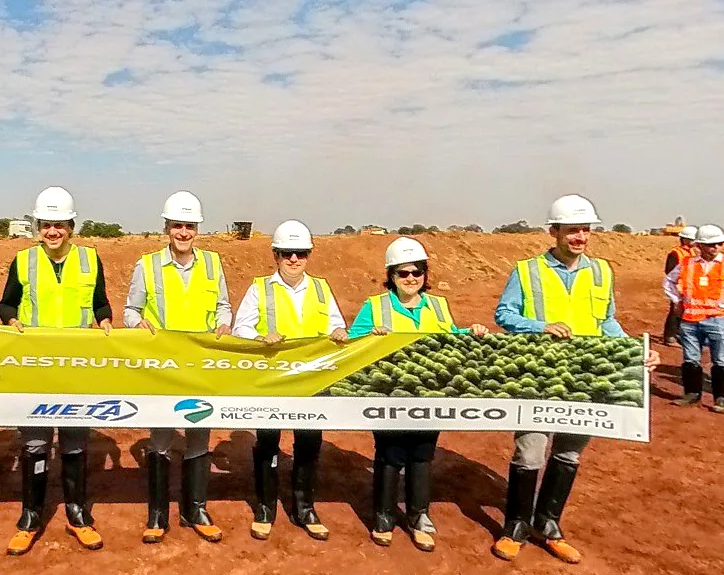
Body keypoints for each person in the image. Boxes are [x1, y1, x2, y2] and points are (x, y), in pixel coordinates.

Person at [492, 194, 659, 564]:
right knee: (530, 450)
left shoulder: (602, 272)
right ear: (554, 231)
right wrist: (539, 326)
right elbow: (503, 315)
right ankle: (516, 526)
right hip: (537, 375)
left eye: (585, 230)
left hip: (585, 377)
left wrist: (634, 352)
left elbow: (607, 322)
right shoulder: (526, 271)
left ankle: (548, 523)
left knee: (569, 451)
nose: (579, 236)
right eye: (572, 230)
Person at [347, 237, 489, 552]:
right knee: (390, 452)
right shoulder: (376, 306)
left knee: (422, 453)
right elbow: (352, 340)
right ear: (391, 276)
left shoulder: (437, 305)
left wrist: (471, 332)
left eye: (417, 272)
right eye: (403, 273)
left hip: (428, 394)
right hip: (389, 393)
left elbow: (450, 336)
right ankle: (383, 515)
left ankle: (418, 516)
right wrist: (370, 335)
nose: (411, 279)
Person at [0, 186, 114, 555]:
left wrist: (106, 320)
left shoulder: (90, 260)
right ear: (37, 226)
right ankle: (31, 515)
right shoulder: (23, 261)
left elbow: (100, 303)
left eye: (59, 225)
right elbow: (6, 303)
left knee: (75, 442)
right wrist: (12, 319)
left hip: (76, 370)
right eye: (46, 224)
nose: (53, 232)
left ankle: (77, 514)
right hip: (36, 369)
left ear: (71, 226)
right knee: (35, 443)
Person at [124, 191, 231, 544]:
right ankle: (157, 514)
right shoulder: (148, 265)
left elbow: (223, 307)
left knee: (199, 435)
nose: (183, 232)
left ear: (197, 229)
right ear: (166, 228)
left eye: (190, 226)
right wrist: (136, 325)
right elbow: (131, 311)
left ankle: (195, 509)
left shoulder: (213, 264)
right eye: (177, 226)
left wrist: (224, 323)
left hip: (200, 368)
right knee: (162, 438)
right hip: (163, 369)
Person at [232, 220, 348, 541]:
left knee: (309, 443)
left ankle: (304, 507)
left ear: (309, 254)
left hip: (312, 381)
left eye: (301, 253)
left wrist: (339, 334)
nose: (294, 260)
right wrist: (259, 337)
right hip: (273, 380)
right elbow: (240, 328)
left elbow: (335, 327)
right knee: (268, 442)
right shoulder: (260, 288)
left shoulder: (322, 288)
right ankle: (266, 507)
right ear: (275, 255)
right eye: (287, 254)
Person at [663, 224, 724, 412]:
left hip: (720, 319)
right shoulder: (687, 263)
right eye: (710, 245)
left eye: (718, 244)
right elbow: (669, 282)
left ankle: (722, 397)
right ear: (699, 245)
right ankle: (692, 394)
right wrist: (677, 301)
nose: (715, 248)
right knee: (690, 359)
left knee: (721, 360)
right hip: (690, 318)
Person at [661, 225, 697, 345]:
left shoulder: (691, 252)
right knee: (675, 310)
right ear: (685, 239)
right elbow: (670, 271)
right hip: (677, 286)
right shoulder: (675, 253)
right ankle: (669, 336)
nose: (694, 242)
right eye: (692, 239)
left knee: (684, 312)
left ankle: (678, 333)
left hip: (688, 286)